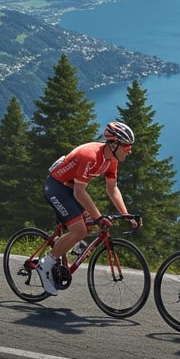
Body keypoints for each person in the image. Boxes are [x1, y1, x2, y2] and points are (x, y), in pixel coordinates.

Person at [35, 121, 139, 296]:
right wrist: (98, 217)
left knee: (93, 225)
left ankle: (71, 245)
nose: (130, 151)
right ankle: (46, 264)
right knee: (80, 230)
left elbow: (112, 188)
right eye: (127, 147)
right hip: (56, 187)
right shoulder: (90, 156)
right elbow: (79, 192)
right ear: (114, 144)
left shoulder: (111, 160)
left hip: (71, 188)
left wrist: (125, 214)